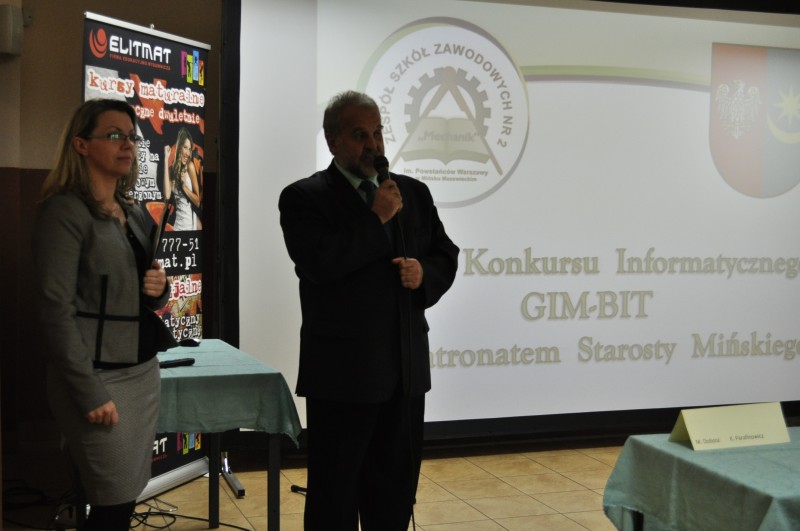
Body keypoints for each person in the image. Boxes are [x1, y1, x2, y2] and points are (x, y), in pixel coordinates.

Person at [279, 91, 459, 530]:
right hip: (342, 378)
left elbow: (445, 254)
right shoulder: (304, 197)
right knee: (335, 498)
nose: (374, 145)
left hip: (405, 373)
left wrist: (425, 274)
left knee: (394, 497)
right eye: (360, 135)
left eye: (378, 133)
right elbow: (319, 263)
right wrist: (374, 219)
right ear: (332, 140)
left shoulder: (412, 193)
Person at [32, 98, 177, 531]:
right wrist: (88, 391)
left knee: (125, 498)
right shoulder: (63, 211)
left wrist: (160, 288)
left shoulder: (133, 211)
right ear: (81, 144)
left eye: (131, 136)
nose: (127, 144)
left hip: (141, 373)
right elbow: (54, 311)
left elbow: (143, 295)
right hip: (97, 378)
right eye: (114, 135)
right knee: (112, 504)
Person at [163, 126, 202, 230]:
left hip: (190, 226)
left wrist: (185, 188)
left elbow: (198, 202)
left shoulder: (190, 166)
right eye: (185, 147)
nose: (188, 153)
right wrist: (166, 159)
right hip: (178, 226)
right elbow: (167, 196)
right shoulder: (171, 170)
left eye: (189, 149)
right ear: (179, 146)